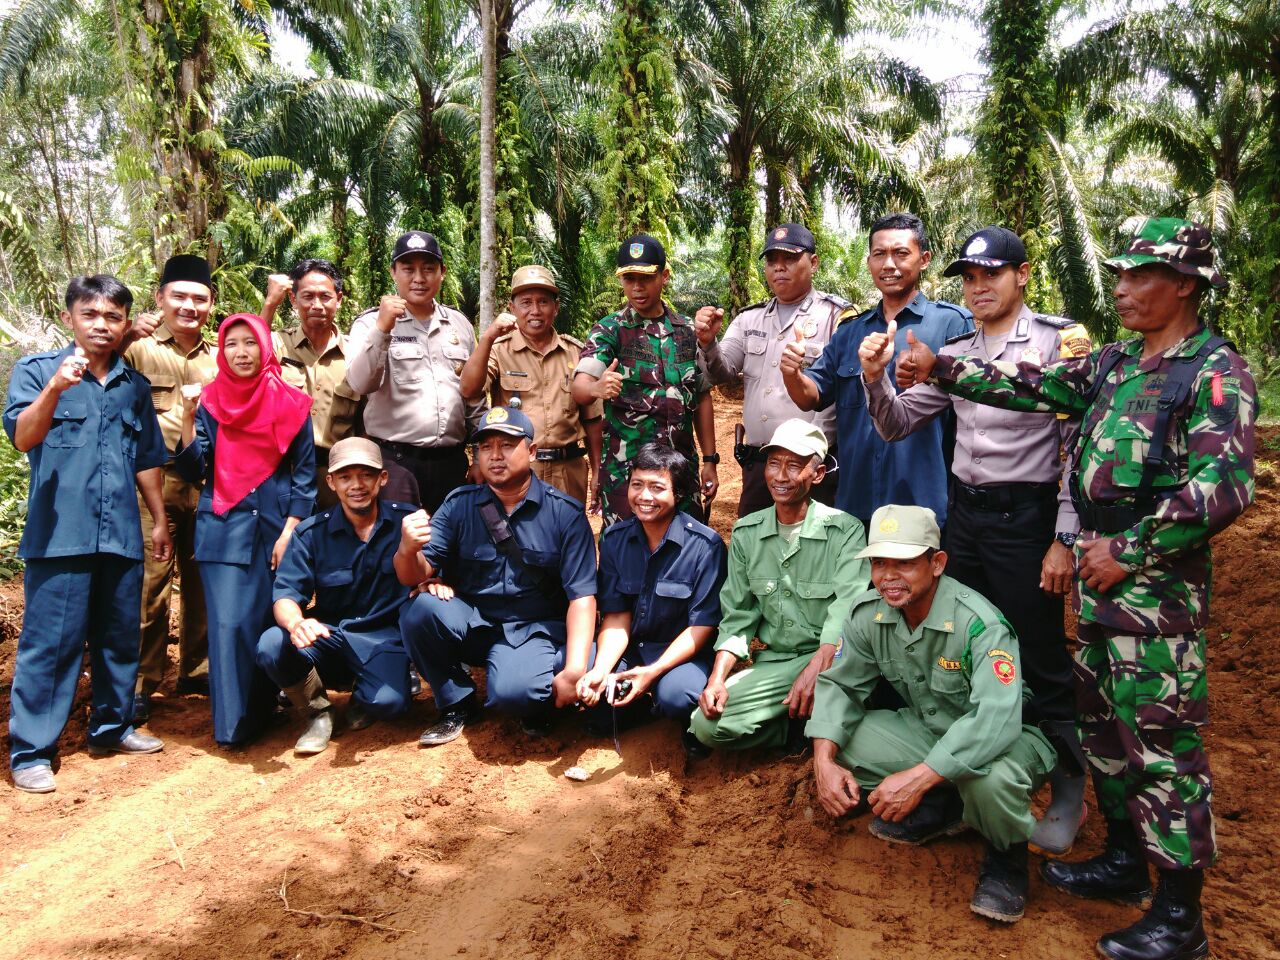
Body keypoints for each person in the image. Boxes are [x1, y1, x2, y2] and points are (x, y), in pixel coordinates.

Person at [898, 217, 1255, 960]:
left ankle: (1181, 918)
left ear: (1185, 285)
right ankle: (1126, 861)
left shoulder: (1212, 369)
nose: (1119, 288)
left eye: (1138, 276)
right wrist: (941, 369)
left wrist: (1128, 548)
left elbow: (1223, 490)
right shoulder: (1119, 360)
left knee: (1162, 742)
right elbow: (1034, 386)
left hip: (1153, 593)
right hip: (1100, 579)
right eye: (1118, 275)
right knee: (1106, 731)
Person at [858, 225, 1095, 855]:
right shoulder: (958, 346)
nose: (979, 285)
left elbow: (1075, 451)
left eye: (992, 273)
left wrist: (1063, 539)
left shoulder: (1058, 341)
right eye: (969, 276)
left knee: (1041, 654)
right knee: (960, 646)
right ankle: (954, 786)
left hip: (1029, 519)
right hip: (967, 517)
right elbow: (897, 423)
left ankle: (1069, 791)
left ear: (1022, 276)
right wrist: (875, 378)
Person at [807, 504, 1056, 924]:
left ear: (936, 563)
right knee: (842, 738)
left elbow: (995, 720)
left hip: (1008, 741)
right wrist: (823, 761)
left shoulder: (978, 623)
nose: (888, 576)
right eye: (879, 562)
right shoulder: (870, 614)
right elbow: (841, 686)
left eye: (904, 562)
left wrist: (918, 778)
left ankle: (1006, 860)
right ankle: (948, 804)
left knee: (990, 781)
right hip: (930, 731)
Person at [5, 275, 171, 793]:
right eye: (91, 314)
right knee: (50, 645)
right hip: (60, 536)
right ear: (69, 318)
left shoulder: (134, 387)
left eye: (113, 316)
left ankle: (111, 726)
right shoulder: (37, 372)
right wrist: (57, 387)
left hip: (120, 532)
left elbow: (146, 459)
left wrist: (160, 518)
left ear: (126, 323)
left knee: (120, 636)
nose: (102, 325)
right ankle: (32, 750)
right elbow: (21, 437)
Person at [397, 406, 598, 745]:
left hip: (533, 629)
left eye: (506, 445)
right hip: (477, 624)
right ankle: (456, 704)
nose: (494, 456)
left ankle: (534, 687)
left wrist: (576, 667)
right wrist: (407, 549)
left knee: (515, 697)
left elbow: (582, 597)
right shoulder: (459, 505)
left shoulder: (564, 513)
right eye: (485, 447)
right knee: (420, 610)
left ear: (531, 452)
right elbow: (412, 574)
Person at [174, 312, 316, 748]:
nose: (241, 352)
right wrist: (186, 417)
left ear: (265, 347)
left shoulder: (292, 402)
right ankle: (234, 726)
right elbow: (194, 467)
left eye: (250, 343)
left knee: (265, 624)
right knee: (230, 626)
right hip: (224, 527)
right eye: (231, 343)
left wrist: (292, 527)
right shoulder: (211, 402)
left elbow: (305, 472)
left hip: (277, 527)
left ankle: (268, 707)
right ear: (221, 350)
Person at [780, 212, 972, 527]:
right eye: (879, 254)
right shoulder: (849, 333)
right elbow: (810, 396)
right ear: (869, 261)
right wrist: (792, 373)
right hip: (856, 501)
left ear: (924, 259)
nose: (889, 264)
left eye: (901, 253)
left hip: (923, 503)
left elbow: (973, 403)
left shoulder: (952, 323)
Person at [690, 419, 866, 752]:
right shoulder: (747, 533)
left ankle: (812, 719)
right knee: (705, 727)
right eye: (774, 463)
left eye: (794, 465)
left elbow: (848, 609)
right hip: (777, 666)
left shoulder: (846, 531)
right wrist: (718, 678)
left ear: (817, 474)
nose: (780, 476)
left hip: (833, 661)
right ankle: (797, 731)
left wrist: (816, 669)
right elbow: (738, 617)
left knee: (849, 702)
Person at [256, 437, 416, 755]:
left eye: (366, 475)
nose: (356, 485)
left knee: (391, 704)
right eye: (345, 477)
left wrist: (433, 580)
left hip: (383, 642)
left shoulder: (405, 523)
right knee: (272, 644)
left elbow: (430, 570)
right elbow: (286, 594)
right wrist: (296, 622)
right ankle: (317, 711)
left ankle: (364, 694)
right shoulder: (311, 533)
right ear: (331, 482)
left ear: (382, 478)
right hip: (330, 638)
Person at [576, 444, 727, 753]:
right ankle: (637, 708)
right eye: (637, 485)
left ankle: (675, 712)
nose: (644, 497)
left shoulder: (706, 547)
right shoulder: (615, 539)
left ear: (679, 493)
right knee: (580, 666)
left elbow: (701, 627)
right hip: (632, 650)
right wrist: (601, 669)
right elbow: (617, 617)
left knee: (677, 695)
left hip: (681, 657)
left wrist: (653, 672)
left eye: (657, 488)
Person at [122, 254, 217, 721]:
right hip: (151, 485)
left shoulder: (220, 355)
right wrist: (124, 333)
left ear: (211, 304)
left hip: (207, 483)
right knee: (150, 585)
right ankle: (141, 680)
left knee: (203, 581)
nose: (189, 306)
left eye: (199, 298)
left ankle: (197, 668)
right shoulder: (136, 347)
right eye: (178, 296)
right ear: (160, 299)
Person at [694, 223, 846, 515]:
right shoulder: (750, 318)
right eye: (772, 261)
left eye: (789, 259)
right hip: (759, 463)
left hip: (810, 463)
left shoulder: (835, 317)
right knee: (755, 545)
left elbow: (841, 394)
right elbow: (721, 374)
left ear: (813, 263)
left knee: (812, 550)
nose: (779, 268)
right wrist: (707, 342)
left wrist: (816, 456)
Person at [572, 234, 719, 525]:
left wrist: (710, 461)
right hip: (627, 478)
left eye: (645, 278)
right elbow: (579, 387)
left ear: (664, 276)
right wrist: (596, 387)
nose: (636, 287)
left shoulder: (687, 331)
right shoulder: (610, 330)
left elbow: (701, 398)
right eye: (629, 279)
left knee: (687, 555)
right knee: (625, 557)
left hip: (679, 473)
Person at [345, 231, 485, 513]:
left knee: (451, 550)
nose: (419, 278)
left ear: (442, 273)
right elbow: (359, 383)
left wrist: (480, 456)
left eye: (428, 269)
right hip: (395, 463)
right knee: (398, 549)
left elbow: (472, 398)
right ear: (394, 272)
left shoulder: (460, 325)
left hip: (452, 462)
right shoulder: (370, 323)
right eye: (408, 269)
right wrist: (383, 329)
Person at [459, 265, 603, 507]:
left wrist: (598, 470)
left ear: (556, 307)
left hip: (567, 471)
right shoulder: (498, 350)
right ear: (512, 308)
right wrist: (486, 338)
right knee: (515, 539)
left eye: (543, 302)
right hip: (517, 470)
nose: (535, 310)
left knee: (566, 539)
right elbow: (469, 390)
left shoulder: (576, 353)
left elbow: (592, 418)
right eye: (526, 302)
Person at [260, 259, 365, 508]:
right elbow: (249, 358)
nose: (316, 305)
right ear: (293, 300)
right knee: (284, 544)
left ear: (338, 299)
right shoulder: (276, 344)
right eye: (307, 296)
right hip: (284, 472)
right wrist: (270, 303)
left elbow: (365, 421)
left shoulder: (356, 355)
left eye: (325, 297)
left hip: (336, 473)